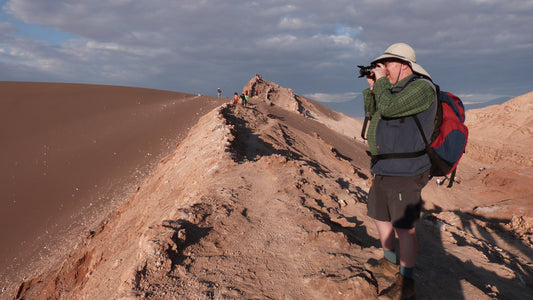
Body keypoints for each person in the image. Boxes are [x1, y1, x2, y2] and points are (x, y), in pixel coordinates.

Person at [361, 43, 437, 299]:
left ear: (404, 64)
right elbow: (373, 113)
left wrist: (381, 82)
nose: (383, 68)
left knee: (404, 228)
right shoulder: (390, 90)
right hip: (384, 166)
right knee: (379, 216)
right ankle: (390, 261)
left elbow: (391, 109)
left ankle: (407, 283)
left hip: (407, 170)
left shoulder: (421, 89)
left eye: (388, 63)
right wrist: (373, 87)